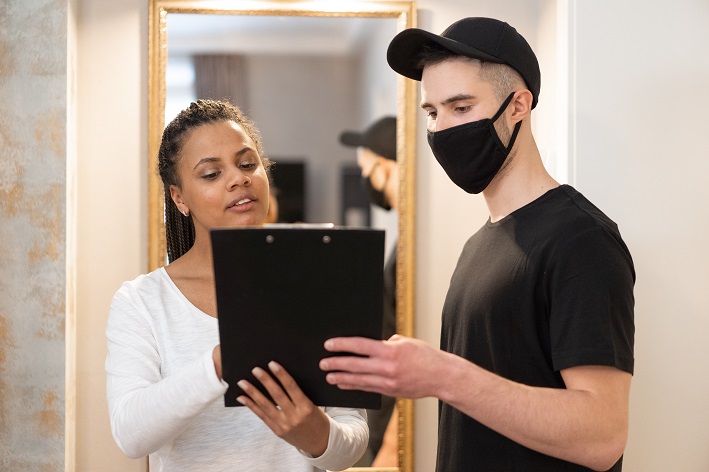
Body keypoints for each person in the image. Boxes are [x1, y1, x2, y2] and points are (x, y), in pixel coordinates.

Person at [320, 17, 635, 472]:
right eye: (432, 112)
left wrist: (442, 375)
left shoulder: (581, 239)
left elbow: (603, 436)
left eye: (461, 107)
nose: (443, 128)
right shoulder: (480, 245)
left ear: (518, 106)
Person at [105, 99, 368, 471]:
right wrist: (221, 362)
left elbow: (353, 438)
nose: (239, 178)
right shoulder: (142, 302)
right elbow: (130, 435)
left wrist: (315, 434)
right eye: (211, 174)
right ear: (179, 198)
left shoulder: (320, 285)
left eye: (247, 164)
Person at [339, 116, 399, 467]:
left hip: (386, 416)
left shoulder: (412, 248)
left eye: (367, 169)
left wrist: (391, 444)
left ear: (385, 168)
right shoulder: (403, 239)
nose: (366, 180)